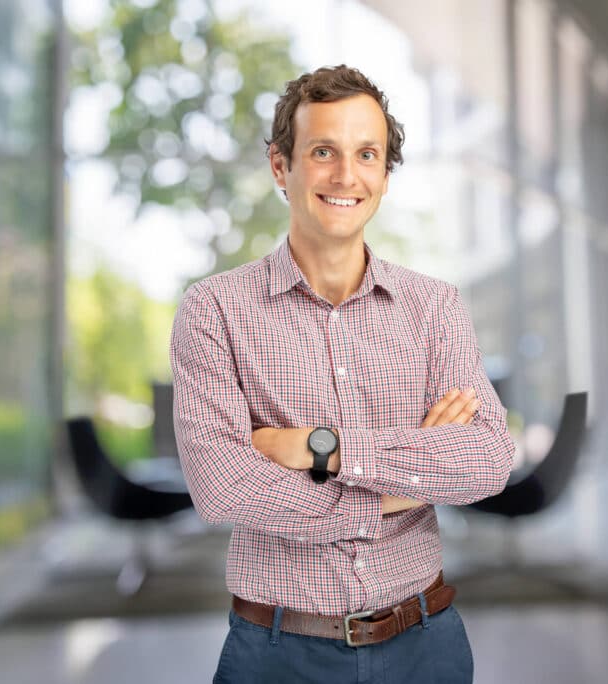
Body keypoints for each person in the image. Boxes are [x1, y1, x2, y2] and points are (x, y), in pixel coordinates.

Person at [170, 64, 515, 684]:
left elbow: (488, 458)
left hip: (426, 647)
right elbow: (222, 487)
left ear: (385, 174)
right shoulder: (214, 310)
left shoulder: (434, 308)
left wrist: (313, 449)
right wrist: (406, 484)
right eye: (323, 151)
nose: (345, 176)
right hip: (274, 652)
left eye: (367, 154)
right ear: (281, 166)